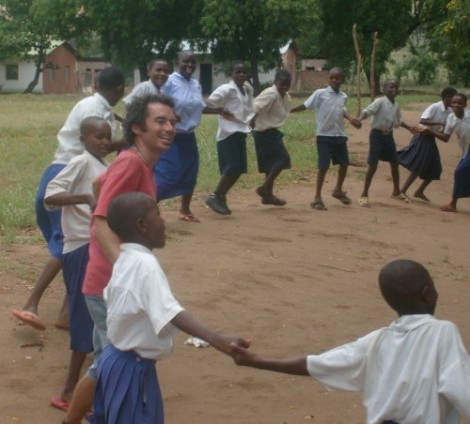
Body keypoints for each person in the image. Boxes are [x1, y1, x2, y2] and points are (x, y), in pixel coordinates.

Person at [232, 259, 470, 423]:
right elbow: (461, 388)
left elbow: (316, 364)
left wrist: (256, 360)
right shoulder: (443, 332)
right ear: (426, 292)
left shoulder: (376, 341)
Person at [63, 94, 177, 424]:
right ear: (138, 127)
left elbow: (100, 184)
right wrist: (127, 267)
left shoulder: (134, 161)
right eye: (160, 121)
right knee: (107, 362)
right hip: (106, 282)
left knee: (109, 358)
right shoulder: (131, 163)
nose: (169, 128)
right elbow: (100, 221)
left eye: (172, 122)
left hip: (110, 280)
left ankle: (99, 416)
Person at [92, 192, 250, 423]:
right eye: (158, 214)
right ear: (142, 225)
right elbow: (171, 311)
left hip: (116, 361)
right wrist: (217, 339)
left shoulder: (125, 259)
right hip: (131, 368)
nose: (164, 220)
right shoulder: (145, 266)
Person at [11, 66, 125, 331]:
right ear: (120, 89)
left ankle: (66, 312)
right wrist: (131, 138)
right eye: (102, 137)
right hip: (67, 174)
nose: (105, 140)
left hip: (71, 172)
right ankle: (31, 304)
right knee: (67, 245)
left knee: (81, 246)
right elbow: (104, 145)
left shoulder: (99, 108)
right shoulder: (94, 114)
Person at [44, 117, 111, 411]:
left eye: (108, 137)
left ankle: (87, 384)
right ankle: (69, 392)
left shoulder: (103, 166)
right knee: (84, 319)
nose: (105, 142)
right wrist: (84, 196)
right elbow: (51, 194)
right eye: (98, 137)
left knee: (95, 318)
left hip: (96, 246)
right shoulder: (82, 162)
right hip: (80, 247)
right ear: (83, 138)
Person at [157, 50, 223, 223]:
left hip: (188, 135)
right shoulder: (169, 81)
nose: (190, 65)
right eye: (186, 61)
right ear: (177, 62)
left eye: (193, 62)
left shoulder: (195, 83)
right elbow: (158, 102)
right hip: (170, 134)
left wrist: (219, 111)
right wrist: (169, 116)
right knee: (168, 173)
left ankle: (185, 209)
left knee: (190, 172)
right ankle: (148, 208)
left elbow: (199, 106)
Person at [291, 67, 361, 211]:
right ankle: (317, 197)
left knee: (344, 163)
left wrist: (351, 119)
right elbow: (305, 105)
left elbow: (342, 110)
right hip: (324, 135)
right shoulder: (320, 94)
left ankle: (337, 190)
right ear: (328, 79)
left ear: (342, 80)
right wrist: (289, 110)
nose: (334, 80)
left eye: (337, 78)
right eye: (332, 78)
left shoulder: (343, 96)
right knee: (323, 166)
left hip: (339, 135)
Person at [357, 79, 418, 207]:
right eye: (391, 87)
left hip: (388, 136)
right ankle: (364, 194)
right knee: (373, 165)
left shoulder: (395, 105)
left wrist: (409, 127)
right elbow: (368, 111)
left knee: (395, 163)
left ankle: (396, 191)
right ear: (384, 89)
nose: (394, 90)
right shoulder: (380, 102)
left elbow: (398, 121)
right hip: (376, 135)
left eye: (396, 88)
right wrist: (359, 119)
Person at [205, 61, 254, 215]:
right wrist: (220, 110)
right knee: (231, 167)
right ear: (231, 74)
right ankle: (215, 195)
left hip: (241, 131)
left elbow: (249, 108)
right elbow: (209, 103)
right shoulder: (226, 89)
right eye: (237, 72)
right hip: (228, 133)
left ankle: (221, 196)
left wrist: (252, 119)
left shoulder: (247, 89)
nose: (241, 75)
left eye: (244, 72)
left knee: (239, 169)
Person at [398, 87, 457, 202]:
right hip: (423, 137)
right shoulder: (435, 107)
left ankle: (419, 191)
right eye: (453, 100)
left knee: (435, 168)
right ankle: (403, 190)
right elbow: (423, 121)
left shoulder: (449, 113)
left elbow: (443, 133)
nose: (454, 103)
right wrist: (439, 122)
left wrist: (441, 129)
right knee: (419, 165)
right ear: (447, 97)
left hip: (430, 138)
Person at [251, 69, 292, 206]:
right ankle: (264, 188)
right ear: (275, 82)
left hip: (271, 131)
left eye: (287, 84)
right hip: (263, 132)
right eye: (282, 84)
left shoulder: (286, 96)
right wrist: (251, 119)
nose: (284, 87)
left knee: (270, 164)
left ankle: (267, 195)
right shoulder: (271, 93)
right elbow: (257, 107)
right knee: (283, 158)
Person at [425, 93, 470, 213]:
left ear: (465, 105)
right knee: (461, 173)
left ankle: (453, 204)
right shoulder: (450, 118)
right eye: (454, 102)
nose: (456, 105)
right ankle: (453, 204)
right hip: (466, 152)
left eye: (459, 103)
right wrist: (430, 132)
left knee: (460, 172)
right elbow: (445, 137)